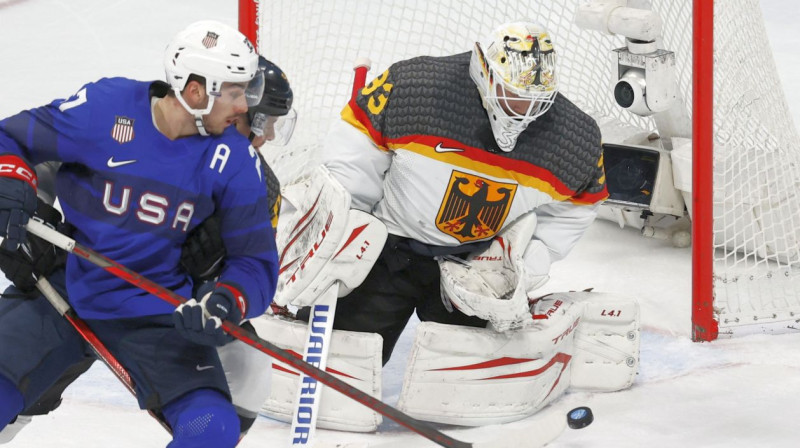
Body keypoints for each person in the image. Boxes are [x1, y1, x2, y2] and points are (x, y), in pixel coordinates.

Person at [0, 20, 278, 448]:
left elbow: (256, 262)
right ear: (195, 91)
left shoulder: (234, 158)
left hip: (158, 308)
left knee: (213, 428)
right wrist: (12, 182)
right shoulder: (105, 107)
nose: (245, 106)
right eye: (236, 92)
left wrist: (226, 300)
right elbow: (11, 137)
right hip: (65, 288)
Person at [304, 20, 609, 365]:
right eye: (514, 94)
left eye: (535, 99)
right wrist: (344, 224)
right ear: (485, 71)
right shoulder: (414, 87)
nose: (524, 109)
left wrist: (528, 260)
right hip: (388, 250)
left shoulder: (576, 137)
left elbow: (581, 204)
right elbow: (356, 155)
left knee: (470, 382)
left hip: (479, 268)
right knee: (342, 361)